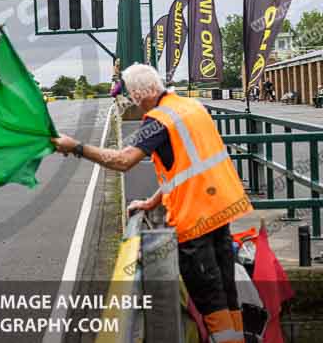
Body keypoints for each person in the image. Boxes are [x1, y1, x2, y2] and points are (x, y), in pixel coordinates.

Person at [53, 63, 251, 343]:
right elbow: (186, 168)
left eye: (132, 96)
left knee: (211, 300)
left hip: (194, 220)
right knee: (228, 293)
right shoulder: (192, 106)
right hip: (220, 211)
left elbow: (122, 160)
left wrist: (76, 147)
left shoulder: (158, 120)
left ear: (137, 94)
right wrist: (152, 201)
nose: (134, 103)